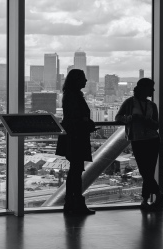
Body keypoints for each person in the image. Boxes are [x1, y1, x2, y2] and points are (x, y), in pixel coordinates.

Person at [115, 78, 163, 211]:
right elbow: (118, 117)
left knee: (147, 171)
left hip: (151, 140)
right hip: (139, 140)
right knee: (145, 171)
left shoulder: (152, 105)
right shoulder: (130, 103)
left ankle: (145, 200)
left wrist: (144, 120)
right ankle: (157, 195)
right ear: (144, 89)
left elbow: (156, 125)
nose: (153, 90)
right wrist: (131, 118)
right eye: (151, 88)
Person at [56, 69, 96, 215]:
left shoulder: (69, 95)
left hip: (72, 136)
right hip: (76, 137)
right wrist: (86, 122)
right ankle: (76, 203)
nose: (86, 81)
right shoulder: (74, 96)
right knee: (76, 171)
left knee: (75, 171)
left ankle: (71, 202)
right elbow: (77, 117)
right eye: (83, 79)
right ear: (77, 80)